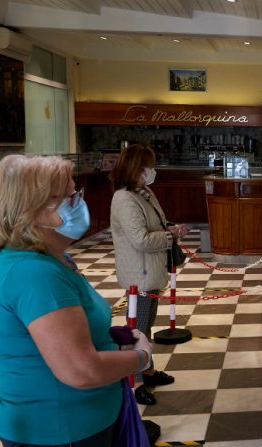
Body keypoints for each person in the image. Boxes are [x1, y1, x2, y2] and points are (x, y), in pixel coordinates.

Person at [0, 155, 153, 447]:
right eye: (70, 197)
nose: (78, 203)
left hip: (85, 422)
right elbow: (82, 370)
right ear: (36, 207)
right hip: (62, 430)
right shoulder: (33, 273)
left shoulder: (52, 260)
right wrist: (141, 357)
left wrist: (108, 341)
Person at [109, 144, 186, 405]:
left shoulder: (143, 193)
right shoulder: (124, 198)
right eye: (147, 167)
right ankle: (137, 381)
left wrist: (169, 229)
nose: (151, 171)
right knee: (138, 329)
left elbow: (154, 225)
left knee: (146, 325)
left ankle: (148, 370)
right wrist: (169, 236)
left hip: (150, 270)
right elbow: (140, 239)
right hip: (138, 275)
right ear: (136, 169)